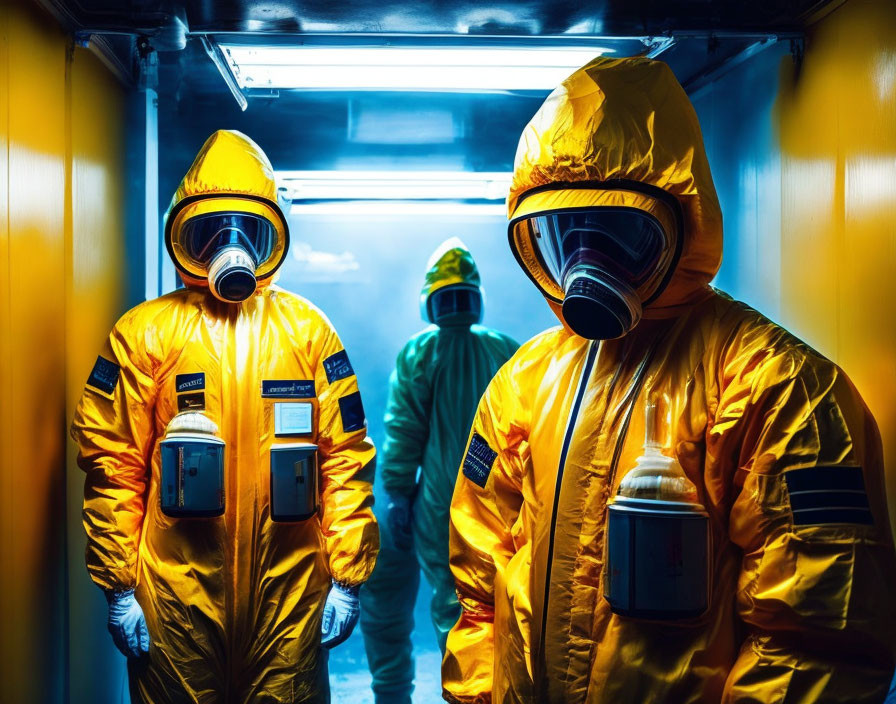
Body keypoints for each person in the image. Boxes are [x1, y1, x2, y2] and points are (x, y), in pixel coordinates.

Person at [442, 57, 896, 704]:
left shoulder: (781, 389)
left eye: (620, 234)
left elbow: (816, 643)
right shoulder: (523, 381)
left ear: (684, 225)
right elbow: (480, 585)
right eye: (566, 234)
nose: (586, 264)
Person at [70, 129, 378, 703]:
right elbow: (112, 466)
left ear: (271, 237)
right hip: (175, 600)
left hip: (288, 600)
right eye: (210, 230)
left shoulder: (309, 333)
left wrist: (347, 577)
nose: (229, 244)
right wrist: (118, 586)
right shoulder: (145, 334)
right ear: (185, 236)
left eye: (246, 229)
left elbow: (345, 458)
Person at [360, 239, 518, 704]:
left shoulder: (420, 352)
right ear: (477, 296)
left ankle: (399, 695)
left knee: (447, 604)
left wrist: (395, 494)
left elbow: (405, 430)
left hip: (435, 501)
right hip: (495, 501)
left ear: (430, 300)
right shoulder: (506, 350)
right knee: (479, 608)